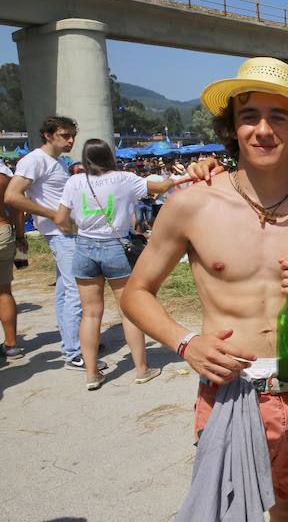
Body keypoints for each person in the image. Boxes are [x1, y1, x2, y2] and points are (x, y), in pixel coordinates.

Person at [121, 57, 288, 522]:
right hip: (231, 388)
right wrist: (184, 342)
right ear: (233, 128)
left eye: (277, 117)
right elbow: (136, 291)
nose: (263, 130)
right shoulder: (192, 204)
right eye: (249, 117)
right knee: (224, 512)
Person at [54, 139, 173, 390]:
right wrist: (174, 180)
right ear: (109, 155)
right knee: (128, 310)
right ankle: (141, 369)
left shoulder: (75, 181)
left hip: (84, 247)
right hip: (116, 247)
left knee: (90, 313)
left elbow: (60, 219)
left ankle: (91, 373)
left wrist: (75, 230)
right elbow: (161, 185)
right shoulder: (124, 178)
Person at [6, 116, 92, 369]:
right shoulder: (35, 160)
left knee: (66, 291)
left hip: (63, 231)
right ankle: (75, 351)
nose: (71, 140)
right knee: (76, 289)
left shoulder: (55, 161)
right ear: (48, 134)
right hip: (60, 232)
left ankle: (75, 342)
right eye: (65, 135)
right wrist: (54, 214)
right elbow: (12, 196)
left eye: (73, 135)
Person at [0, 158, 25, 359]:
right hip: (3, 231)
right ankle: (11, 345)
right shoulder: (5, 173)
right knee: (4, 290)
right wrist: (20, 237)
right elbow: (18, 208)